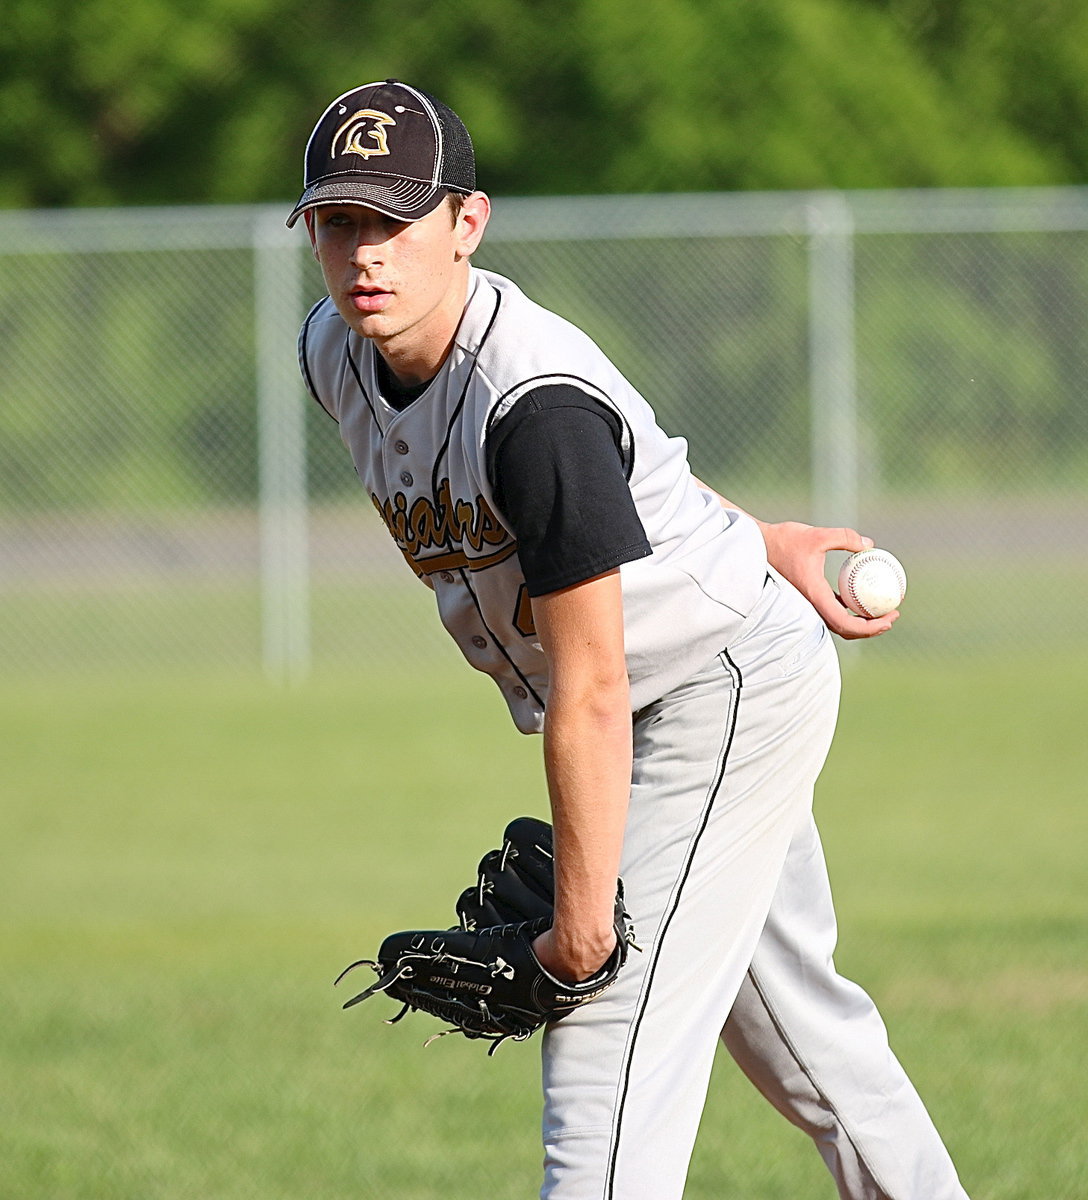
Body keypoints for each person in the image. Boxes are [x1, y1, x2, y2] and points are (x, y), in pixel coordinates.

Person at [289, 78, 970, 1200]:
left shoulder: (525, 400)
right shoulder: (333, 352)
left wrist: (575, 934)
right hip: (673, 673)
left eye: (395, 220)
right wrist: (763, 536)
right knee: (809, 1053)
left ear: (466, 224)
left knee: (604, 1060)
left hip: (714, 686)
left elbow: (592, 686)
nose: (366, 253)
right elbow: (628, 478)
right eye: (339, 221)